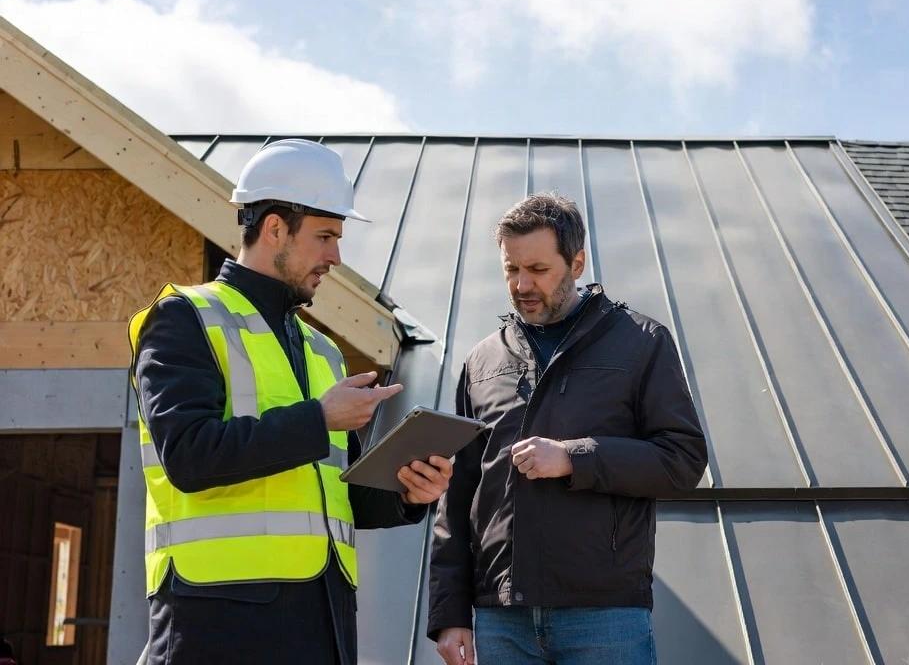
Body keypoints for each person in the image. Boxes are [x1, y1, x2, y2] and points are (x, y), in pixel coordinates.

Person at [130, 138, 452, 665]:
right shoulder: (184, 318)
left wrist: (407, 494)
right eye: (325, 236)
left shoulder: (321, 350)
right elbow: (189, 456)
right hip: (219, 622)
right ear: (275, 227)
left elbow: (331, 498)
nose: (336, 256)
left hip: (322, 620)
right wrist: (320, 418)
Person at [429, 192, 708, 665]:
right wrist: (449, 612)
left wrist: (574, 458)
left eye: (537, 270)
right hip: (501, 618)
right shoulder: (481, 362)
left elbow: (682, 459)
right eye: (511, 270)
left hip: (605, 616)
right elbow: (455, 497)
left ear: (576, 263)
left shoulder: (641, 344)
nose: (521, 284)